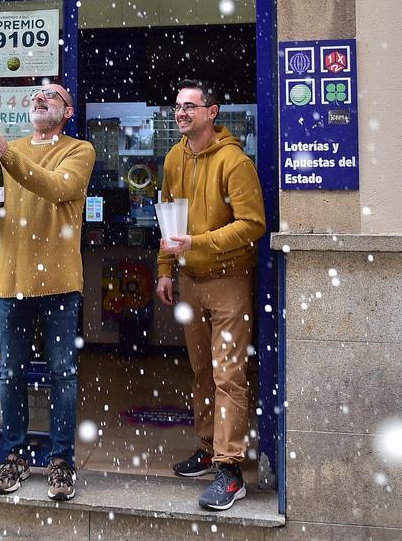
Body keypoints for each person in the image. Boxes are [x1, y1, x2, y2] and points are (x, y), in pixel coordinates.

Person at [0, 83, 95, 502]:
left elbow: (57, 188)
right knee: (11, 375)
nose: (40, 99)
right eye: (35, 96)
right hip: (13, 283)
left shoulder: (78, 151)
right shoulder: (11, 150)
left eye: (51, 96)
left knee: (64, 374)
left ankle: (61, 462)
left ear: (68, 111)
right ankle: (17, 456)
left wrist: (7, 155)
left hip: (60, 285)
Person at [156, 78, 266, 511]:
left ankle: (230, 469)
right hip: (189, 281)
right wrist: (165, 269)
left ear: (212, 112)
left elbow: (253, 224)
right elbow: (166, 219)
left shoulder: (234, 162)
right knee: (202, 370)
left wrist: (196, 244)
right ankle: (208, 449)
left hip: (228, 281)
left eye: (190, 106)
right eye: (177, 106)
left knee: (228, 375)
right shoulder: (172, 159)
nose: (181, 112)